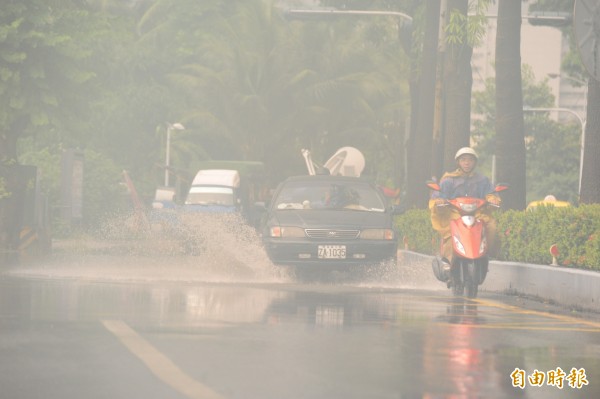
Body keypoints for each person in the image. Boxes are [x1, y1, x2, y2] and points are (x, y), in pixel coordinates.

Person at [429, 147, 501, 267]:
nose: (467, 163)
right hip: (454, 213)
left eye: (470, 160)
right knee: (450, 231)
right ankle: (447, 260)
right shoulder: (448, 180)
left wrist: (492, 199)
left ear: (475, 162)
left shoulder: (483, 180)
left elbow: (491, 194)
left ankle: (487, 253)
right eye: (463, 160)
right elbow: (438, 196)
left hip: (477, 213)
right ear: (458, 162)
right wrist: (439, 201)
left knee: (491, 226)